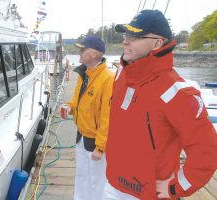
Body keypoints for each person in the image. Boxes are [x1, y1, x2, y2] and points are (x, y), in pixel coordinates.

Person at [103, 9, 217, 200]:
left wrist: (176, 187)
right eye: (126, 35)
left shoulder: (178, 92)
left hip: (148, 194)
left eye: (135, 36)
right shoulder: (122, 76)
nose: (125, 41)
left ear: (157, 43)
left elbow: (207, 151)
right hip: (113, 185)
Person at [62, 36, 114, 200]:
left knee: (97, 181)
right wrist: (70, 107)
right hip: (81, 136)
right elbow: (77, 99)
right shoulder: (84, 74)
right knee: (82, 176)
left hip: (96, 142)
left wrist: (100, 147)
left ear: (94, 54)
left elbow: (108, 117)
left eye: (82, 50)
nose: (79, 53)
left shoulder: (108, 79)